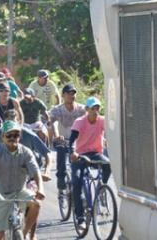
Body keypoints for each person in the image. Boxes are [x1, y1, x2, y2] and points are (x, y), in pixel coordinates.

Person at [0, 120, 45, 240]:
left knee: (36, 204)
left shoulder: (26, 152)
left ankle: (24, 234)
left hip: (19, 192)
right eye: (8, 135)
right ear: (2, 137)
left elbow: (36, 172)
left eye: (15, 135)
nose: (12, 138)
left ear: (19, 137)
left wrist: (40, 188)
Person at [69, 97, 111, 231]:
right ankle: (80, 217)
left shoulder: (102, 121)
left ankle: (101, 188)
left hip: (95, 153)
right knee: (77, 181)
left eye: (97, 108)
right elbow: (72, 140)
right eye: (93, 108)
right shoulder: (79, 122)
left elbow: (111, 133)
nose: (95, 111)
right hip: (80, 155)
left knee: (107, 164)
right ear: (87, 109)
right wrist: (73, 152)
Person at [0, 110, 52, 181]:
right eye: (8, 123)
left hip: (30, 167)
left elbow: (47, 153)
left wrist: (47, 172)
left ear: (19, 122)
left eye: (13, 123)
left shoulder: (29, 135)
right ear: (3, 123)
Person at [49, 84, 86, 192]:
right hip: (63, 140)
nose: (71, 95)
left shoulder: (81, 109)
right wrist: (56, 135)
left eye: (73, 93)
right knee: (60, 149)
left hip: (77, 141)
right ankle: (61, 177)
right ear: (63, 95)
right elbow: (53, 123)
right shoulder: (57, 109)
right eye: (69, 93)